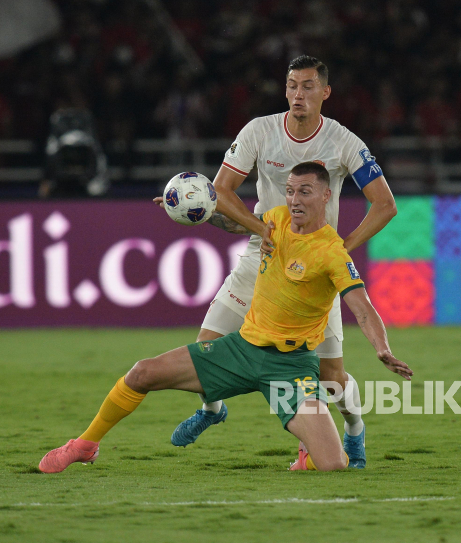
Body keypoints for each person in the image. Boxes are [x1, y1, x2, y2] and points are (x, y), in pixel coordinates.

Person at [39, 163, 411, 473]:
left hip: (290, 366)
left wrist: (382, 349)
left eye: (305, 192)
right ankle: (85, 445)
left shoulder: (332, 252)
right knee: (142, 372)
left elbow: (361, 306)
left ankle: (331, 444)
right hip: (242, 349)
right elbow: (236, 224)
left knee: (333, 466)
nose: (295, 200)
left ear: (326, 196)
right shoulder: (276, 220)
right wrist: (192, 209)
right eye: (291, 191)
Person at [164, 55, 398, 467]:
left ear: (325, 93)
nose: (298, 94)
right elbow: (223, 189)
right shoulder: (260, 131)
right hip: (264, 256)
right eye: (292, 85)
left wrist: (341, 247)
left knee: (330, 379)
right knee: (206, 350)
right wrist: (260, 229)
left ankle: (355, 430)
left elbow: (384, 204)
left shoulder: (343, 142)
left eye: (308, 86)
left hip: (314, 269)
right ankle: (212, 411)